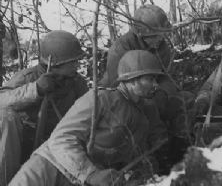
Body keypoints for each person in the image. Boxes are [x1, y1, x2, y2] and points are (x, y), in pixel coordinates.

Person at [9, 50, 167, 186]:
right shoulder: (101, 98)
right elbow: (61, 139)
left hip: (81, 179)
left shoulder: (144, 114)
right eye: (150, 79)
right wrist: (92, 174)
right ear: (131, 80)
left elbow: (133, 155)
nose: (155, 85)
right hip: (50, 167)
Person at [100, 5, 194, 171]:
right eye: (154, 35)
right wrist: (149, 99)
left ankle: (182, 147)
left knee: (184, 100)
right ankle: (157, 154)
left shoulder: (162, 47)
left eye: (162, 34)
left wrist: (163, 94)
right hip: (121, 95)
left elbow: (165, 76)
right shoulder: (121, 48)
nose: (159, 39)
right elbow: (120, 84)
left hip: (151, 91)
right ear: (140, 33)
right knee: (149, 114)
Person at [0, 30, 88, 185]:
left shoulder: (77, 83)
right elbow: (2, 101)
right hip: (21, 144)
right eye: (73, 62)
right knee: (6, 116)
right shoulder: (27, 77)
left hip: (55, 146)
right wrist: (36, 89)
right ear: (55, 63)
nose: (77, 65)